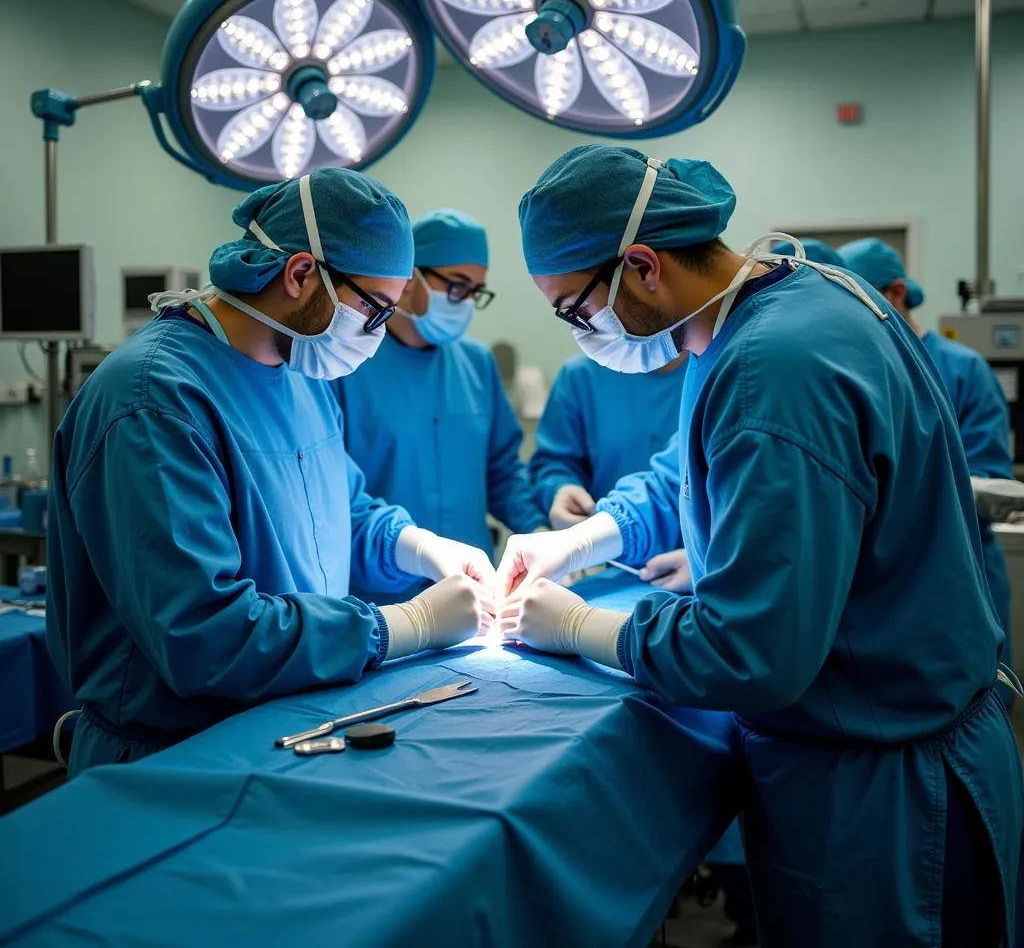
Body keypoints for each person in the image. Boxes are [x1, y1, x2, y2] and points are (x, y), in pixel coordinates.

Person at [495, 145, 1023, 946]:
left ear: (641, 266)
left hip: (886, 796)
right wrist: (592, 537)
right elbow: (694, 467)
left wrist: (576, 626)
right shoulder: (785, 295)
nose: (580, 334)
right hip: (875, 752)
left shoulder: (773, 365)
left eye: (575, 309)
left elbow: (753, 650)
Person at [47, 169, 497, 777]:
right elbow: (203, 635)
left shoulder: (301, 374)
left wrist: (422, 548)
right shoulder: (152, 400)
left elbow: (346, 509)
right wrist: (403, 625)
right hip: (174, 761)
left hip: (291, 725)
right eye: (372, 311)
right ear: (301, 274)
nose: (377, 333)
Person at [334, 208, 545, 604]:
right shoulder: (346, 364)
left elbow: (501, 470)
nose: (466, 302)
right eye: (457, 286)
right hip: (378, 598)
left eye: (476, 291)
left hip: (475, 592)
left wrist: (536, 530)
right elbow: (335, 494)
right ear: (410, 278)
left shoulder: (477, 364)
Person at [838, 236, 1016, 701]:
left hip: (960, 575)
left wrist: (896, 499)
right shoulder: (857, 364)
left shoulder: (962, 368)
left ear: (896, 293)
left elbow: (990, 481)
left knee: (973, 711)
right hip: (887, 589)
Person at [528, 355, 691, 589]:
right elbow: (553, 462)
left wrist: (708, 562)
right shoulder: (582, 376)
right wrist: (560, 488)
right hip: (607, 568)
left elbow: (670, 485)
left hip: (704, 572)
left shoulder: (717, 371)